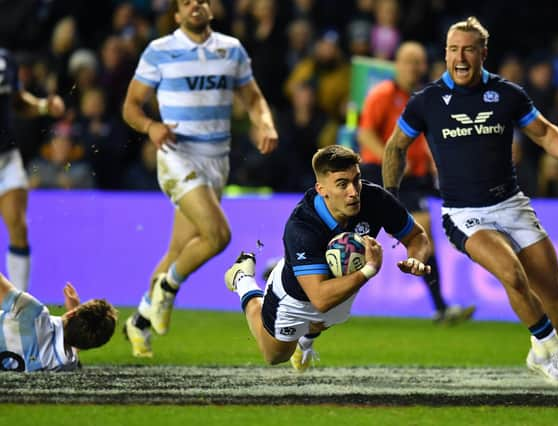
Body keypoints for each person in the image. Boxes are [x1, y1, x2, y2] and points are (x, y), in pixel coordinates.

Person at [382, 17, 558, 386]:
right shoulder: (427, 102)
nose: (459, 57)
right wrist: (389, 198)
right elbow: (395, 147)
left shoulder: (507, 94)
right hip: (465, 214)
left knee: (557, 296)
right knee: (512, 273)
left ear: (483, 53)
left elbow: (543, 131)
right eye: (452, 49)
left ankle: (540, 350)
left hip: (512, 205)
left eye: (467, 49)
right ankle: (554, 351)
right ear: (445, 54)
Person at [121, 0, 278, 357]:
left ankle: (140, 320)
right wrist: (151, 126)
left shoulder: (231, 49)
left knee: (179, 250)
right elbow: (131, 105)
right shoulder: (160, 51)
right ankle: (168, 289)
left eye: (201, 0)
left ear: (210, 9)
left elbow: (254, 98)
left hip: (215, 160)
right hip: (176, 154)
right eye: (187, 1)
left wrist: (265, 122)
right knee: (218, 234)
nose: (195, 4)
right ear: (176, 14)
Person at [224, 145, 432, 372]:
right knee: (275, 355)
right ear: (322, 189)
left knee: (324, 319)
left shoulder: (375, 199)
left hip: (341, 287)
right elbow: (320, 298)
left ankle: (306, 337)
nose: (353, 191)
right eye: (342, 184)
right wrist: (370, 268)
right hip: (298, 296)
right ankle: (242, 278)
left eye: (357, 180)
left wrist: (416, 259)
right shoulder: (302, 226)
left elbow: (417, 236)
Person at [357, 41, 475, 324]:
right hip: (381, 174)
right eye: (409, 61)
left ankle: (441, 307)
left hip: (414, 180)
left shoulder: (425, 98)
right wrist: (392, 157)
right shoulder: (382, 95)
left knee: (421, 234)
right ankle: (291, 267)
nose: (414, 67)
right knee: (357, 236)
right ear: (397, 64)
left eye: (419, 62)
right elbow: (365, 134)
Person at [0, 47, 65, 292]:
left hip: (6, 159)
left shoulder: (5, 59)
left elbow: (17, 101)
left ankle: (18, 307)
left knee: (18, 226)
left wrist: (42, 107)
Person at [0, 273, 117, 372]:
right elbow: (75, 345)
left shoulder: (35, 314)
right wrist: (76, 312)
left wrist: (76, 311)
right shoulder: (67, 366)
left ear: (71, 314)